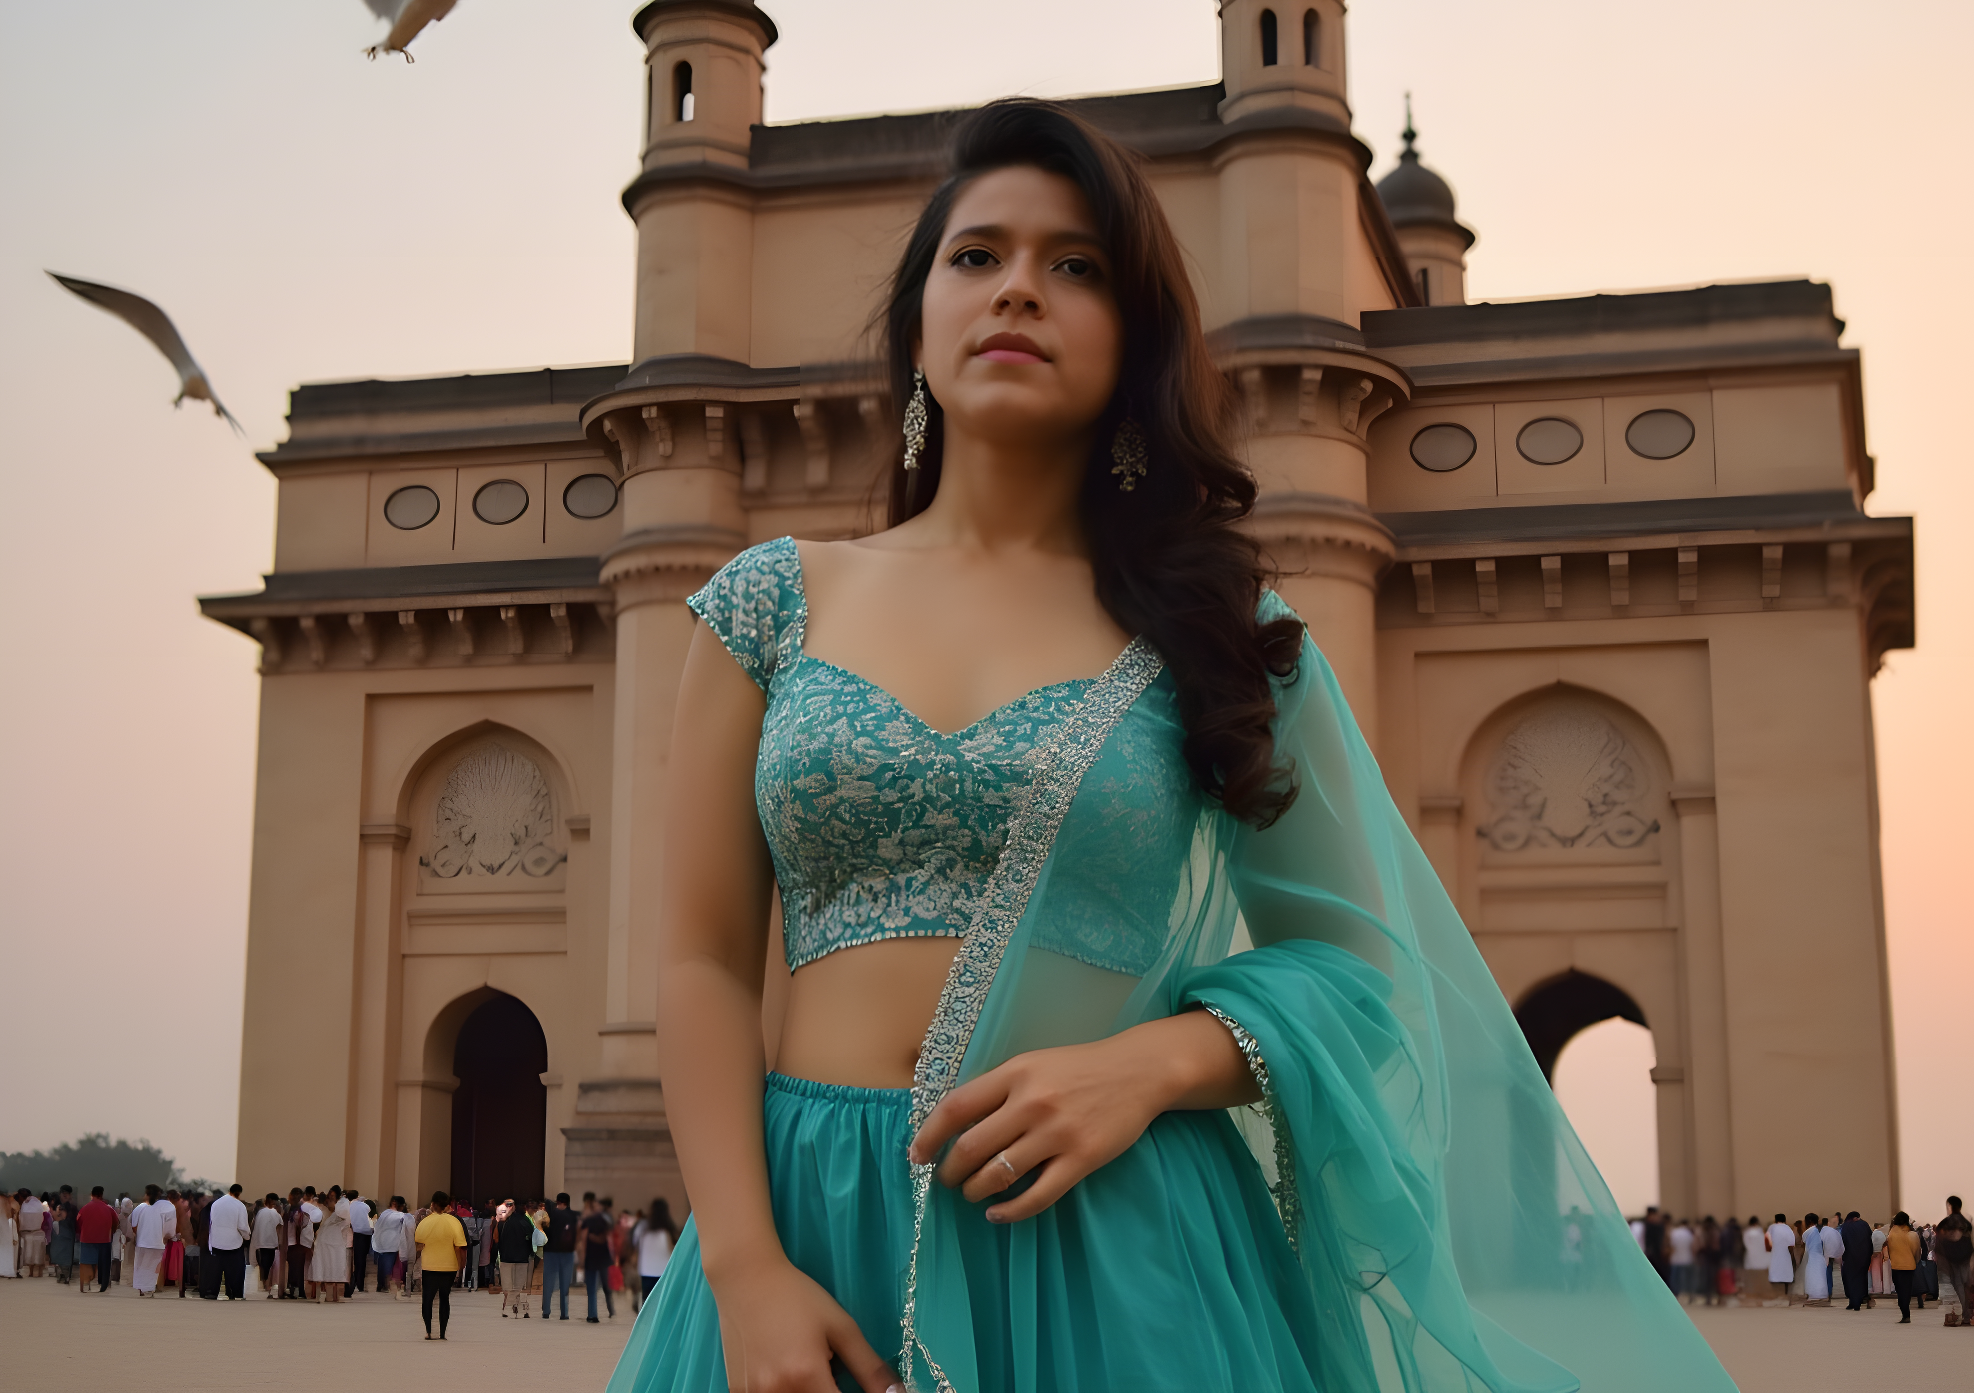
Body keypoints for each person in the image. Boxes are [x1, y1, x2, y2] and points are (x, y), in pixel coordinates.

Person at [606, 99, 1734, 1393]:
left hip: (1125, 1239)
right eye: (977, 258)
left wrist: (1150, 1066)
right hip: (812, 1228)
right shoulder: (771, 601)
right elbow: (697, 960)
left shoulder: (1227, 636)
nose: (1019, 289)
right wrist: (745, 1267)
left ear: (1135, 338)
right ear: (918, 318)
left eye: (1074, 267)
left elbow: (1360, 978)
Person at [414, 1192, 467, 1342]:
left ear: (433, 1204)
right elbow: (460, 1246)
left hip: (429, 1266)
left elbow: (418, 1245)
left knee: (428, 1299)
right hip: (449, 1266)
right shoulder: (454, 1222)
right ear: (447, 1205)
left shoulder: (425, 1222)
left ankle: (429, 1331)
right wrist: (461, 1266)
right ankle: (442, 1332)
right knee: (445, 1298)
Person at [1935, 1196, 1974, 1325]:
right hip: (1965, 1259)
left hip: (1953, 1260)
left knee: (1958, 1286)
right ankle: (1967, 1315)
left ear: (1950, 1206)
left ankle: (1963, 1315)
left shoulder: (1946, 1223)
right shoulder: (1967, 1223)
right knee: (1966, 1286)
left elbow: (1940, 1242)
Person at [636, 1198, 680, 1311]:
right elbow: (673, 1253)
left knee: (646, 1304)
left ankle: (646, 1327)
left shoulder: (643, 1230)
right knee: (661, 1306)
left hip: (646, 1271)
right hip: (663, 1273)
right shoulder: (668, 1232)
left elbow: (637, 1248)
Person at [208, 1184, 251, 1300]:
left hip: (216, 1241)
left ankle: (213, 1292)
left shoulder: (216, 1204)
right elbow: (242, 1226)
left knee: (216, 1270)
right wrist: (247, 1237)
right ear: (239, 1193)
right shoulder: (239, 1205)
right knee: (235, 1271)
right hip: (233, 1243)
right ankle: (234, 1293)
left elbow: (211, 1223)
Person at [130, 1185, 175, 1295]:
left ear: (147, 1194)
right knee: (153, 1267)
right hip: (157, 1242)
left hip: (142, 1242)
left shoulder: (140, 1207)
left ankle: (141, 1289)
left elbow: (133, 1224)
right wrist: (167, 1236)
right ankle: (150, 1288)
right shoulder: (167, 1206)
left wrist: (136, 1236)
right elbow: (170, 1227)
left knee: (140, 1266)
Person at [495, 1198, 536, 1319]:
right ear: (524, 1208)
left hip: (506, 1258)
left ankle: (510, 1307)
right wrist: (531, 1254)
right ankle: (518, 1309)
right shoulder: (526, 1222)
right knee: (519, 1286)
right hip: (522, 1259)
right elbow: (532, 1239)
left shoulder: (503, 1222)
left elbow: (497, 1240)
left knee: (508, 1286)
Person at [308, 1188, 350, 1303]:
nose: (330, 1198)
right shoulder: (323, 1209)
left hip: (336, 1242)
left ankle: (334, 1296)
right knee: (323, 1266)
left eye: (333, 1196)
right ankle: (323, 1295)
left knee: (335, 1267)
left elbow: (343, 1216)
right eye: (329, 1196)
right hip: (323, 1241)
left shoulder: (342, 1205)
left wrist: (333, 1206)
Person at [540, 1192, 577, 1321]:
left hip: (550, 1252)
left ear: (557, 1202)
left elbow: (542, 1231)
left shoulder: (549, 1215)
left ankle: (546, 1311)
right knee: (564, 1284)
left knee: (548, 1282)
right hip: (567, 1253)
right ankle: (564, 1313)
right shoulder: (572, 1216)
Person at [581, 1192, 615, 1322]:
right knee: (605, 1285)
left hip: (591, 1258)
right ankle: (609, 1310)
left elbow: (583, 1239)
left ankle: (592, 1315)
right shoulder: (604, 1220)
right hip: (603, 1259)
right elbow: (607, 1237)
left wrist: (582, 1259)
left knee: (591, 1288)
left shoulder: (588, 1221)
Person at [1880, 1212, 1920, 1322]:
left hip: (1896, 1266)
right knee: (1906, 1290)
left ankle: (1904, 1313)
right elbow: (1916, 1251)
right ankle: (1906, 1314)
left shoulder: (1891, 1233)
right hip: (1909, 1266)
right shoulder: (1911, 1234)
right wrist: (1914, 1261)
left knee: (1900, 1291)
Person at [76, 1185, 116, 1293]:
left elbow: (78, 1223)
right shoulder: (108, 1209)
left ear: (91, 1194)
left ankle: (85, 1283)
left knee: (86, 1261)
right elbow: (116, 1222)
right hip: (104, 1240)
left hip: (86, 1239)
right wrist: (111, 1232)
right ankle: (103, 1284)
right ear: (101, 1195)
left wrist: (82, 1233)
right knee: (105, 1262)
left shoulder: (84, 1208)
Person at [372, 1196, 409, 1295]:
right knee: (388, 1265)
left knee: (381, 1265)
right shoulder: (400, 1216)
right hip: (392, 1243)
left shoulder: (384, 1213)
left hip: (380, 1242)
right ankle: (385, 1285)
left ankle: (380, 1285)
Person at [1838, 1210, 1872, 1310]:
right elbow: (1870, 1239)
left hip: (1850, 1257)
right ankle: (1859, 1300)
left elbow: (1842, 1241)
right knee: (1861, 1279)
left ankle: (1853, 1302)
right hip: (1864, 1257)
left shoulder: (1845, 1226)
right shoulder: (1864, 1224)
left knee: (1850, 1279)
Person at [252, 1194, 282, 1299]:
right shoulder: (276, 1214)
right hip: (271, 1243)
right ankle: (266, 1285)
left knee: (263, 1265)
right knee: (268, 1265)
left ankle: (264, 1284)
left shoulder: (260, 1213)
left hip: (261, 1243)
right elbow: (280, 1227)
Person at [347, 1189, 374, 1297]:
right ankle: (360, 1284)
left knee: (355, 1260)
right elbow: (369, 1210)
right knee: (361, 1260)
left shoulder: (348, 1206)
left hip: (355, 1232)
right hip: (366, 1233)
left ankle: (355, 1281)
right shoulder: (363, 1205)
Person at [1765, 1213, 1797, 1302]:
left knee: (1774, 1273)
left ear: (1775, 1220)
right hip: (1785, 1254)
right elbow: (1792, 1244)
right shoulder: (1788, 1229)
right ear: (1785, 1220)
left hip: (1774, 1254)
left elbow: (1767, 1241)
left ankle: (1774, 1295)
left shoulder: (1772, 1227)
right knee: (1786, 1274)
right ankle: (1786, 1294)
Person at [19, 1190, 47, 1276]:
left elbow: (22, 1220)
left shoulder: (24, 1205)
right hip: (39, 1232)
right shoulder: (38, 1203)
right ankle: (39, 1273)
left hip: (27, 1233)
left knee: (29, 1254)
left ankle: (31, 1272)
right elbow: (44, 1219)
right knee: (39, 1254)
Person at [1668, 1218, 1696, 1302]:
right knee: (1687, 1279)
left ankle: (1675, 1295)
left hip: (1676, 1259)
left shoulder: (1674, 1232)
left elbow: (1672, 1246)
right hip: (1687, 1259)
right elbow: (1693, 1247)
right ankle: (1689, 1295)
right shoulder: (1689, 1234)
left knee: (1675, 1279)